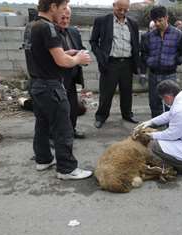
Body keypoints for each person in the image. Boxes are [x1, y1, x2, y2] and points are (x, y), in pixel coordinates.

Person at [23, 0, 92, 180]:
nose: (64, 13)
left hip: (36, 84)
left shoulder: (31, 26)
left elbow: (44, 54)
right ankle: (67, 169)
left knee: (42, 124)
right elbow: (61, 61)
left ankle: (43, 159)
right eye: (62, 8)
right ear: (52, 7)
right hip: (50, 86)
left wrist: (67, 54)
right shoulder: (48, 28)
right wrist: (78, 59)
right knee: (63, 128)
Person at [90, 0, 140, 128]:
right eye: (120, 9)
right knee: (106, 93)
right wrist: (101, 58)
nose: (122, 12)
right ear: (114, 6)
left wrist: (137, 63)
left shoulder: (133, 23)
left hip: (127, 64)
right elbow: (93, 42)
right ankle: (101, 116)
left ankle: (127, 114)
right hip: (110, 63)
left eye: (126, 10)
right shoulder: (102, 21)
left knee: (127, 92)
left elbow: (135, 44)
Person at [140, 6, 182, 117]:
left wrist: (176, 61)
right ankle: (156, 128)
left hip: (169, 75)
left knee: (171, 104)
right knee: (154, 103)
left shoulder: (178, 34)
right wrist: (149, 61)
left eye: (160, 20)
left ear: (166, 18)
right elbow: (143, 53)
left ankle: (171, 128)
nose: (157, 24)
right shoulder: (148, 36)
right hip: (153, 75)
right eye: (155, 21)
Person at [56, 7, 86, 139]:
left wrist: (83, 56)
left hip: (72, 78)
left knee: (73, 108)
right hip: (58, 79)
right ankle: (55, 136)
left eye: (68, 18)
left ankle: (71, 130)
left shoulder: (73, 31)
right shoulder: (51, 33)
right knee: (58, 110)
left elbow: (81, 48)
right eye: (62, 18)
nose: (65, 21)